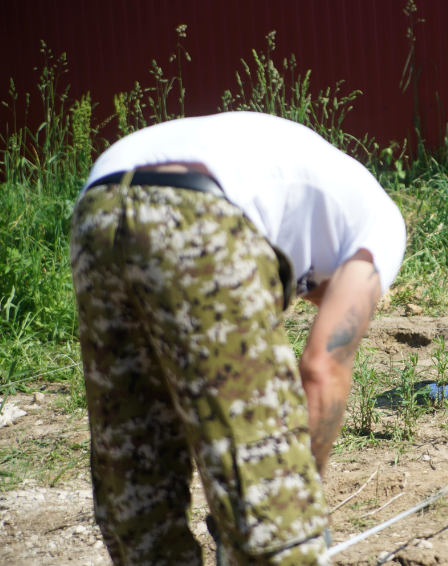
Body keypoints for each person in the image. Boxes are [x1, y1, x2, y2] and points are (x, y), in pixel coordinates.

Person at [69, 112, 406, 566]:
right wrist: (301, 493)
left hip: (98, 207)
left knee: (137, 481)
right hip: (197, 208)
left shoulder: (310, 198)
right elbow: (323, 369)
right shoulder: (382, 226)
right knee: (277, 520)